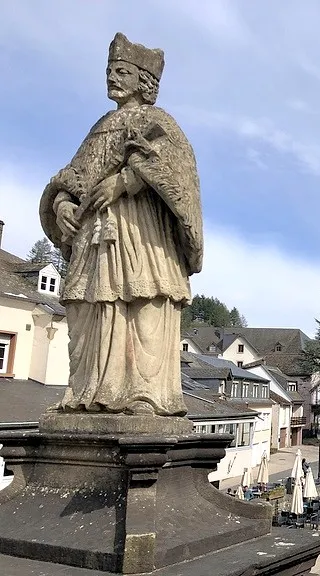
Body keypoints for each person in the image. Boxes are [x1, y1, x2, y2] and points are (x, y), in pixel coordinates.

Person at [39, 33, 203, 416]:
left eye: (121, 70)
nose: (112, 76)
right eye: (109, 70)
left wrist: (128, 180)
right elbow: (72, 176)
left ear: (144, 80)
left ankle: (143, 394)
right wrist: (62, 203)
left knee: (143, 302)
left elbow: (179, 180)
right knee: (88, 308)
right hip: (95, 239)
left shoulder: (160, 124)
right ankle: (88, 391)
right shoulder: (100, 127)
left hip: (142, 235)